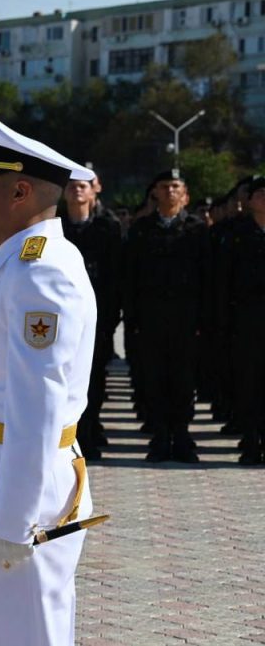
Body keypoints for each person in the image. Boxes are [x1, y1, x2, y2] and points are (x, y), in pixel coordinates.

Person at [0, 112, 97, 646]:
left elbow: (38, 405)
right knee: (16, 631)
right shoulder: (20, 260)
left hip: (19, 484)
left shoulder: (41, 272)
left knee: (32, 633)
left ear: (21, 192)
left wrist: (14, 517)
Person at [123, 169, 209, 463]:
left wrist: (205, 320)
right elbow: (129, 277)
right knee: (154, 380)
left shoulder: (197, 230)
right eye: (164, 186)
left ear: (185, 195)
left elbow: (208, 278)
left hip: (187, 320)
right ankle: (160, 437)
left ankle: (182, 436)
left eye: (175, 186)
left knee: (184, 381)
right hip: (151, 319)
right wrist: (132, 319)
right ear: (155, 193)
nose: (169, 191)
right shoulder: (141, 230)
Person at [59, 174, 122, 460]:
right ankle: (68, 434)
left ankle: (90, 430)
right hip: (61, 315)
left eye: (82, 186)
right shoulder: (54, 226)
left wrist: (111, 316)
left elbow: (116, 275)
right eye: (71, 186)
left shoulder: (107, 227)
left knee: (94, 377)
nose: (76, 190)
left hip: (96, 314)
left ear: (93, 191)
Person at [216, 175, 265, 464]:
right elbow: (223, 281)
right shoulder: (237, 234)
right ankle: (250, 440)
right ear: (250, 201)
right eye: (260, 194)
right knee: (248, 383)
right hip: (246, 321)